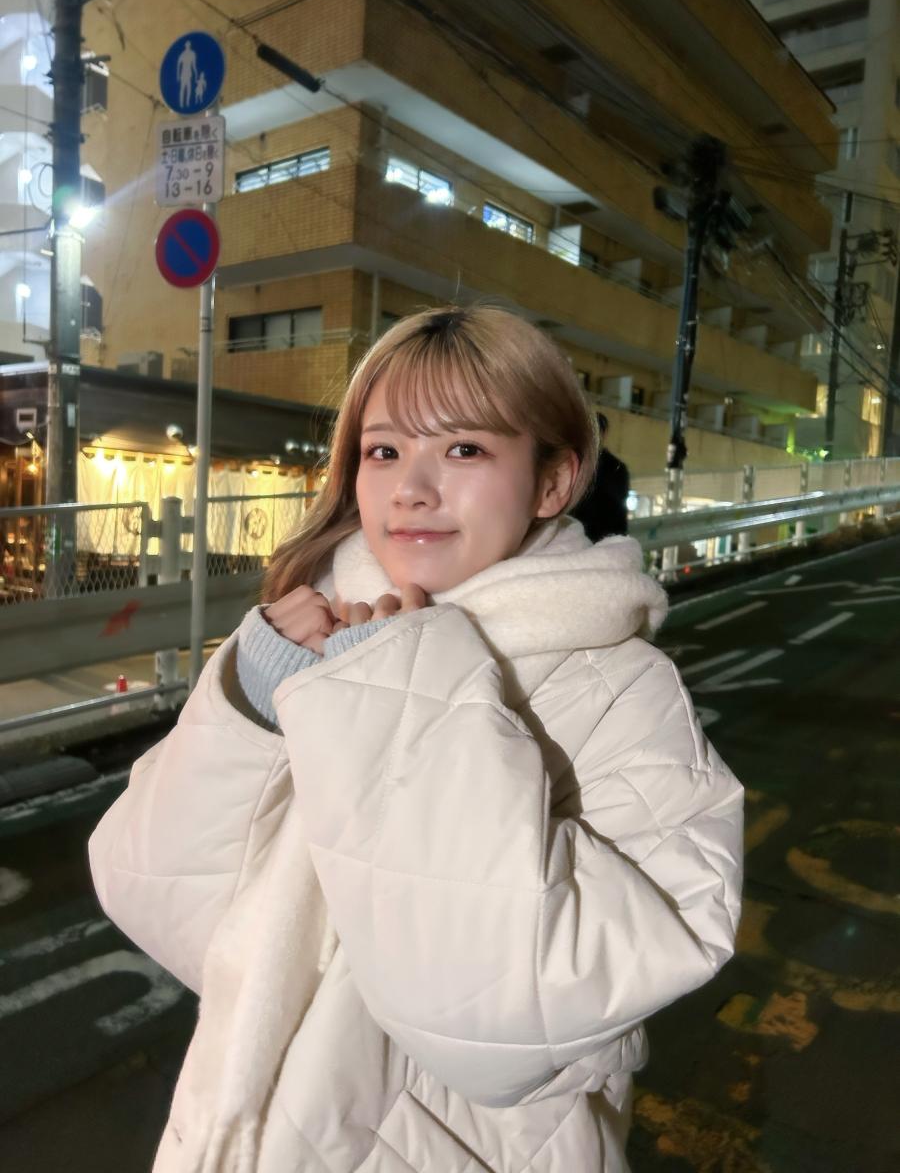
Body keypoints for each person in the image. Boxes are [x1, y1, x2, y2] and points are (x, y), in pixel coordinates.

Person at [89, 306, 743, 1173]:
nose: (412, 488)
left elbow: (513, 1013)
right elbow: (160, 902)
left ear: (552, 481)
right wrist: (250, 699)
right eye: (384, 451)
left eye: (464, 449)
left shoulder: (620, 687)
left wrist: (401, 691)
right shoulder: (321, 633)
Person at [570, 412, 630, 542]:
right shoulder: (617, 467)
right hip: (605, 538)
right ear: (604, 433)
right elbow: (620, 511)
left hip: (580, 537)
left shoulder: (573, 466)